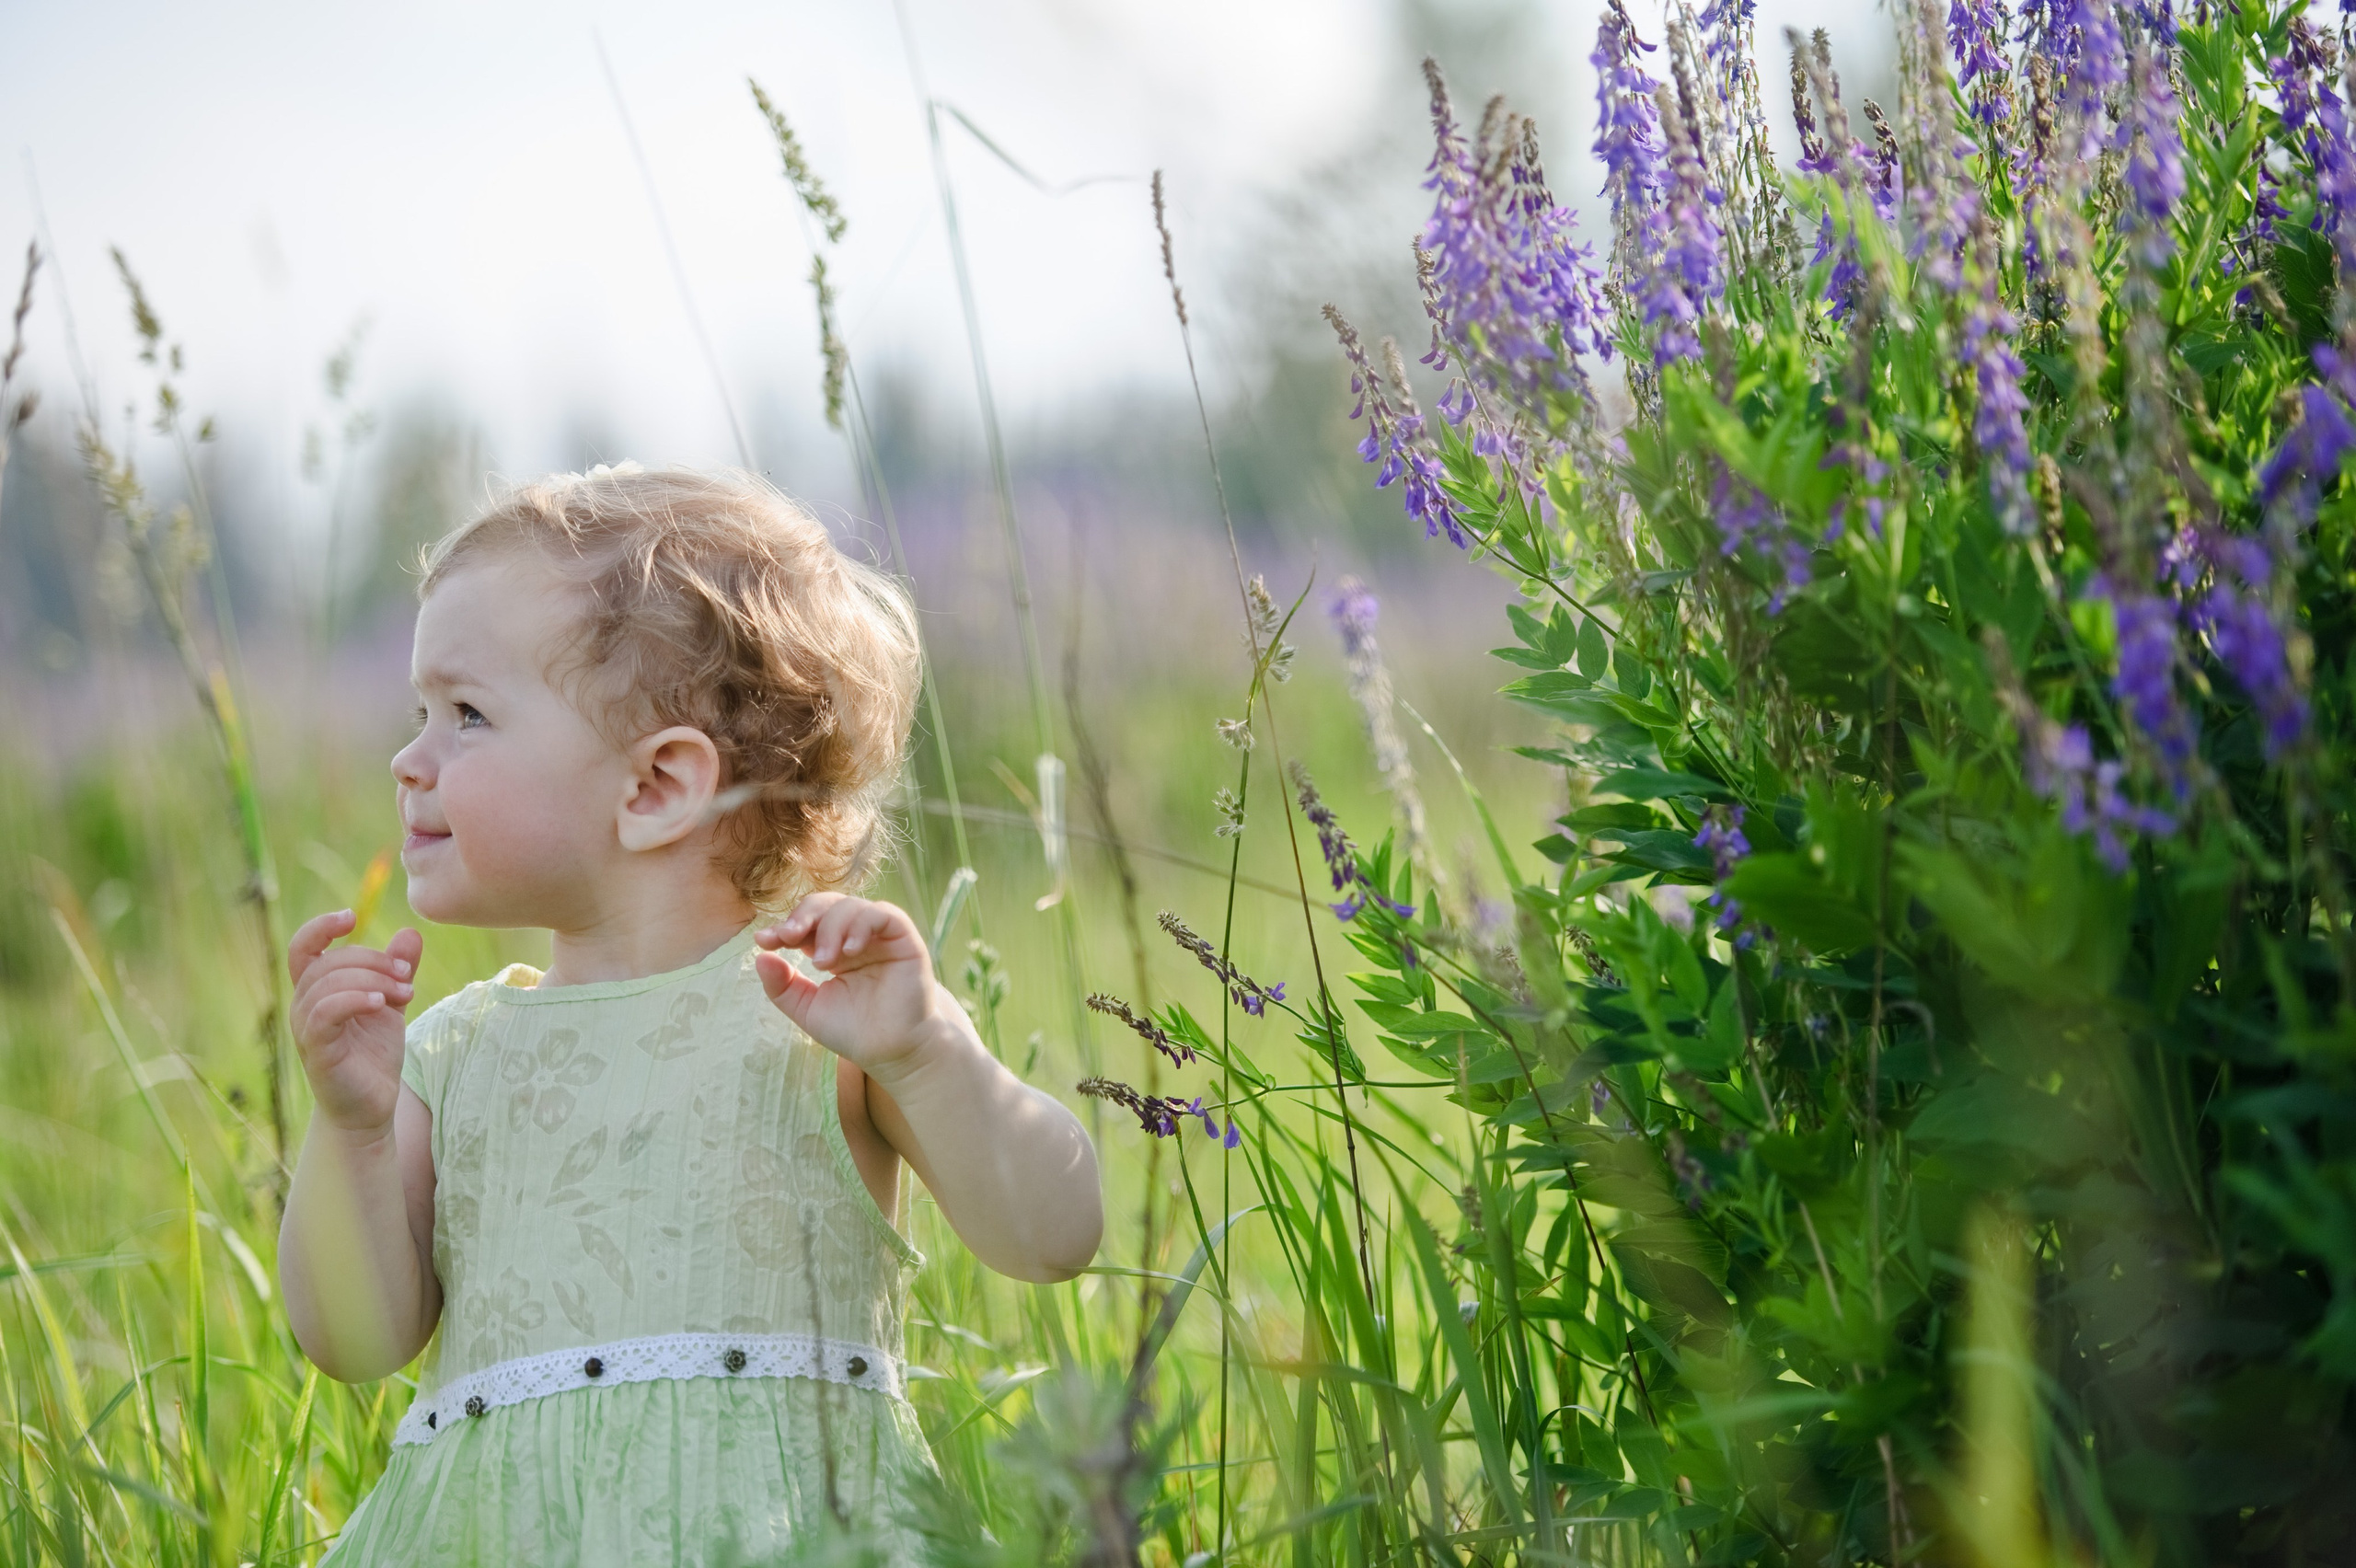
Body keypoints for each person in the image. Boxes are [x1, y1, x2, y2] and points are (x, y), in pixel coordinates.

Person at [276, 464, 1103, 1564]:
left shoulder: (827, 1017)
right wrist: (350, 1128)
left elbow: (1053, 1234)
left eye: (466, 714)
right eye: (419, 711)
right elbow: (354, 1338)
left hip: (790, 1529)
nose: (407, 759)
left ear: (659, 786)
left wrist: (928, 1051)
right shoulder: (450, 1057)